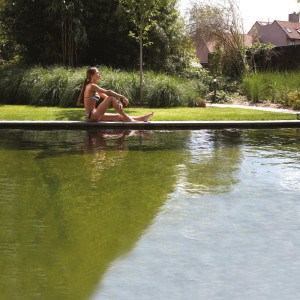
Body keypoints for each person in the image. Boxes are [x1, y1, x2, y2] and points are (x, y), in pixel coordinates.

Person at [77, 67, 154, 122]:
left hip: (94, 115)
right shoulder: (92, 86)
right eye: (98, 73)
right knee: (111, 97)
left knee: (118, 116)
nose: (100, 74)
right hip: (92, 116)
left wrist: (118, 102)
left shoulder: (93, 87)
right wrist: (122, 97)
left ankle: (142, 118)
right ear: (92, 76)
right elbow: (109, 93)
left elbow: (106, 97)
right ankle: (128, 119)